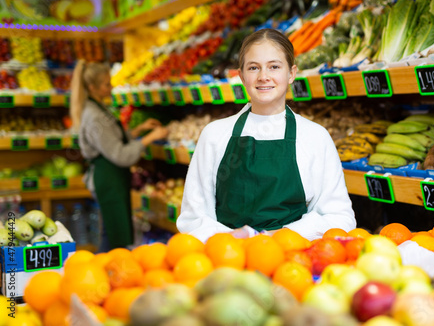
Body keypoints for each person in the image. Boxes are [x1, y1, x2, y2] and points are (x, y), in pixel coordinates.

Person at [177, 29, 355, 242]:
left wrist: (276, 237)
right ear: (241, 76)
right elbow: (193, 218)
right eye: (253, 68)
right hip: (227, 259)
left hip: (294, 261)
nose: (263, 77)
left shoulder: (316, 137)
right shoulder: (214, 135)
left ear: (291, 73)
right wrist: (237, 240)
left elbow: (339, 217)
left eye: (274, 66)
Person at [70, 60, 168, 251]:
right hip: (108, 178)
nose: (111, 87)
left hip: (111, 176)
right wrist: (150, 139)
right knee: (114, 236)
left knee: (112, 230)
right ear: (92, 87)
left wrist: (138, 130)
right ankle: (106, 272)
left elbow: (111, 141)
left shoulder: (96, 107)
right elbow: (120, 154)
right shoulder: (95, 115)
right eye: (107, 84)